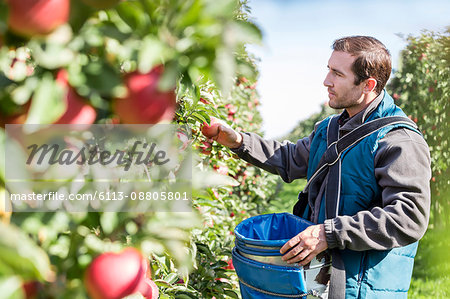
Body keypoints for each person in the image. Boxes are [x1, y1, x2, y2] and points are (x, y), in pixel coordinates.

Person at [202, 36, 431, 298]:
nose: (326, 81)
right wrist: (239, 141)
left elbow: (408, 217)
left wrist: (327, 233)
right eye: (328, 69)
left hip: (363, 288)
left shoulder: (398, 140)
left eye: (337, 73)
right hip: (321, 280)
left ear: (368, 85)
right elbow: (289, 158)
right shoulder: (329, 130)